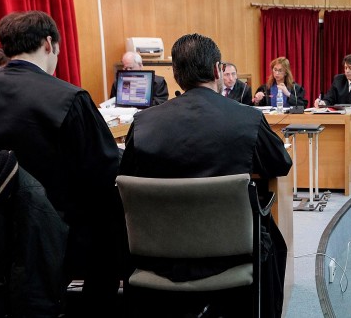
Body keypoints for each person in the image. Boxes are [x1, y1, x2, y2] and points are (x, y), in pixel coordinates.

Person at [119, 33, 293, 317]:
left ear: (176, 75)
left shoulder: (143, 123)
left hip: (158, 255)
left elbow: (125, 177)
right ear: (216, 70)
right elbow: (280, 164)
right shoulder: (247, 118)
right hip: (232, 255)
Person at [0, 11, 123, 315]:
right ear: (50, 44)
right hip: (59, 237)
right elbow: (105, 170)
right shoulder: (68, 98)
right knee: (112, 218)